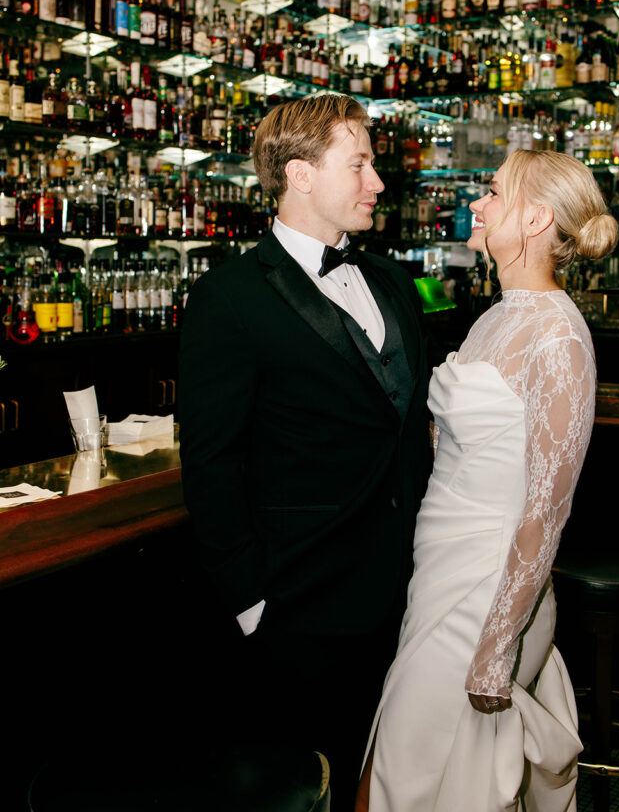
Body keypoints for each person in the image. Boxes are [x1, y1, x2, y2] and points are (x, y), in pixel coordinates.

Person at [179, 93, 433, 809]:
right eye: (358, 164)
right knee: (305, 785)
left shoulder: (391, 282)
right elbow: (210, 461)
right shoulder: (228, 298)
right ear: (300, 174)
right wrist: (251, 600)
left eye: (373, 164)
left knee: (384, 775)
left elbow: (404, 429)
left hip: (403, 590)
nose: (377, 182)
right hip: (298, 606)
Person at [357, 149, 619, 812]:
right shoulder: (496, 316)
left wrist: (496, 649)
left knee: (415, 780)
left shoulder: (557, 335)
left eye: (494, 192)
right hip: (440, 572)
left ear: (534, 218)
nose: (478, 202)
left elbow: (545, 511)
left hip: (489, 592)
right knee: (401, 772)